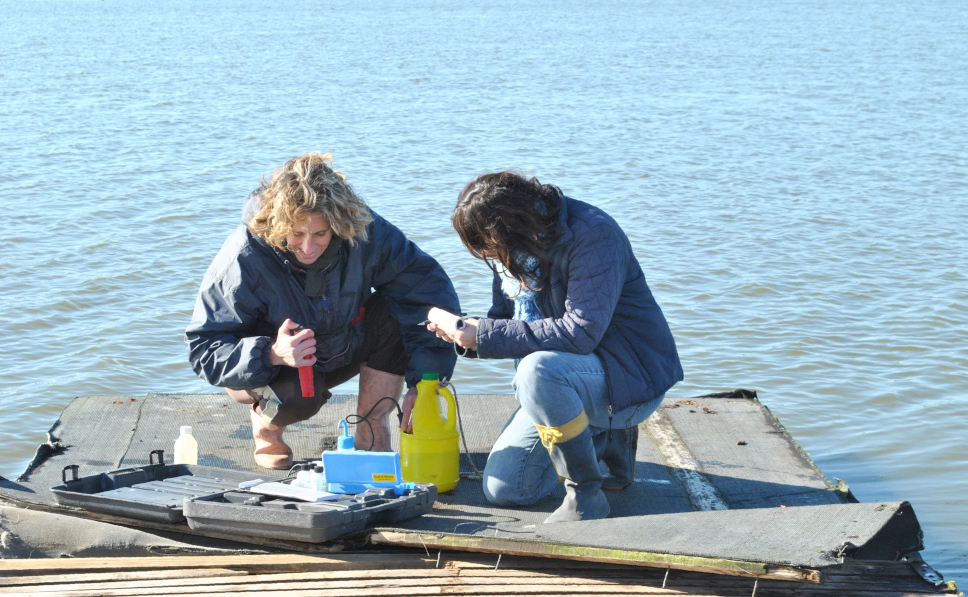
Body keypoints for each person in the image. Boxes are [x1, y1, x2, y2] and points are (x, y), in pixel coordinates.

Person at [424, 171, 682, 523]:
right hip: (567, 379)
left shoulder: (594, 236)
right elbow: (504, 319)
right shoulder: (514, 252)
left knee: (537, 369)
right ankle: (602, 439)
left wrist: (484, 335)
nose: (486, 254)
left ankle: (586, 494)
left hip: (627, 380)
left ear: (511, 227)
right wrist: (465, 334)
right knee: (507, 490)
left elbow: (580, 333)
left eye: (486, 245)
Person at [185, 152, 459, 468]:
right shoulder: (243, 256)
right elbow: (203, 349)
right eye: (297, 234)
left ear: (339, 225)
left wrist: (425, 382)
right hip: (274, 366)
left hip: (342, 344)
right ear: (278, 224)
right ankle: (267, 428)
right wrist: (270, 354)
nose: (308, 248)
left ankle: (371, 431)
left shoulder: (363, 230)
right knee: (300, 396)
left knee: (399, 310)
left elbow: (427, 292)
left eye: (320, 234)